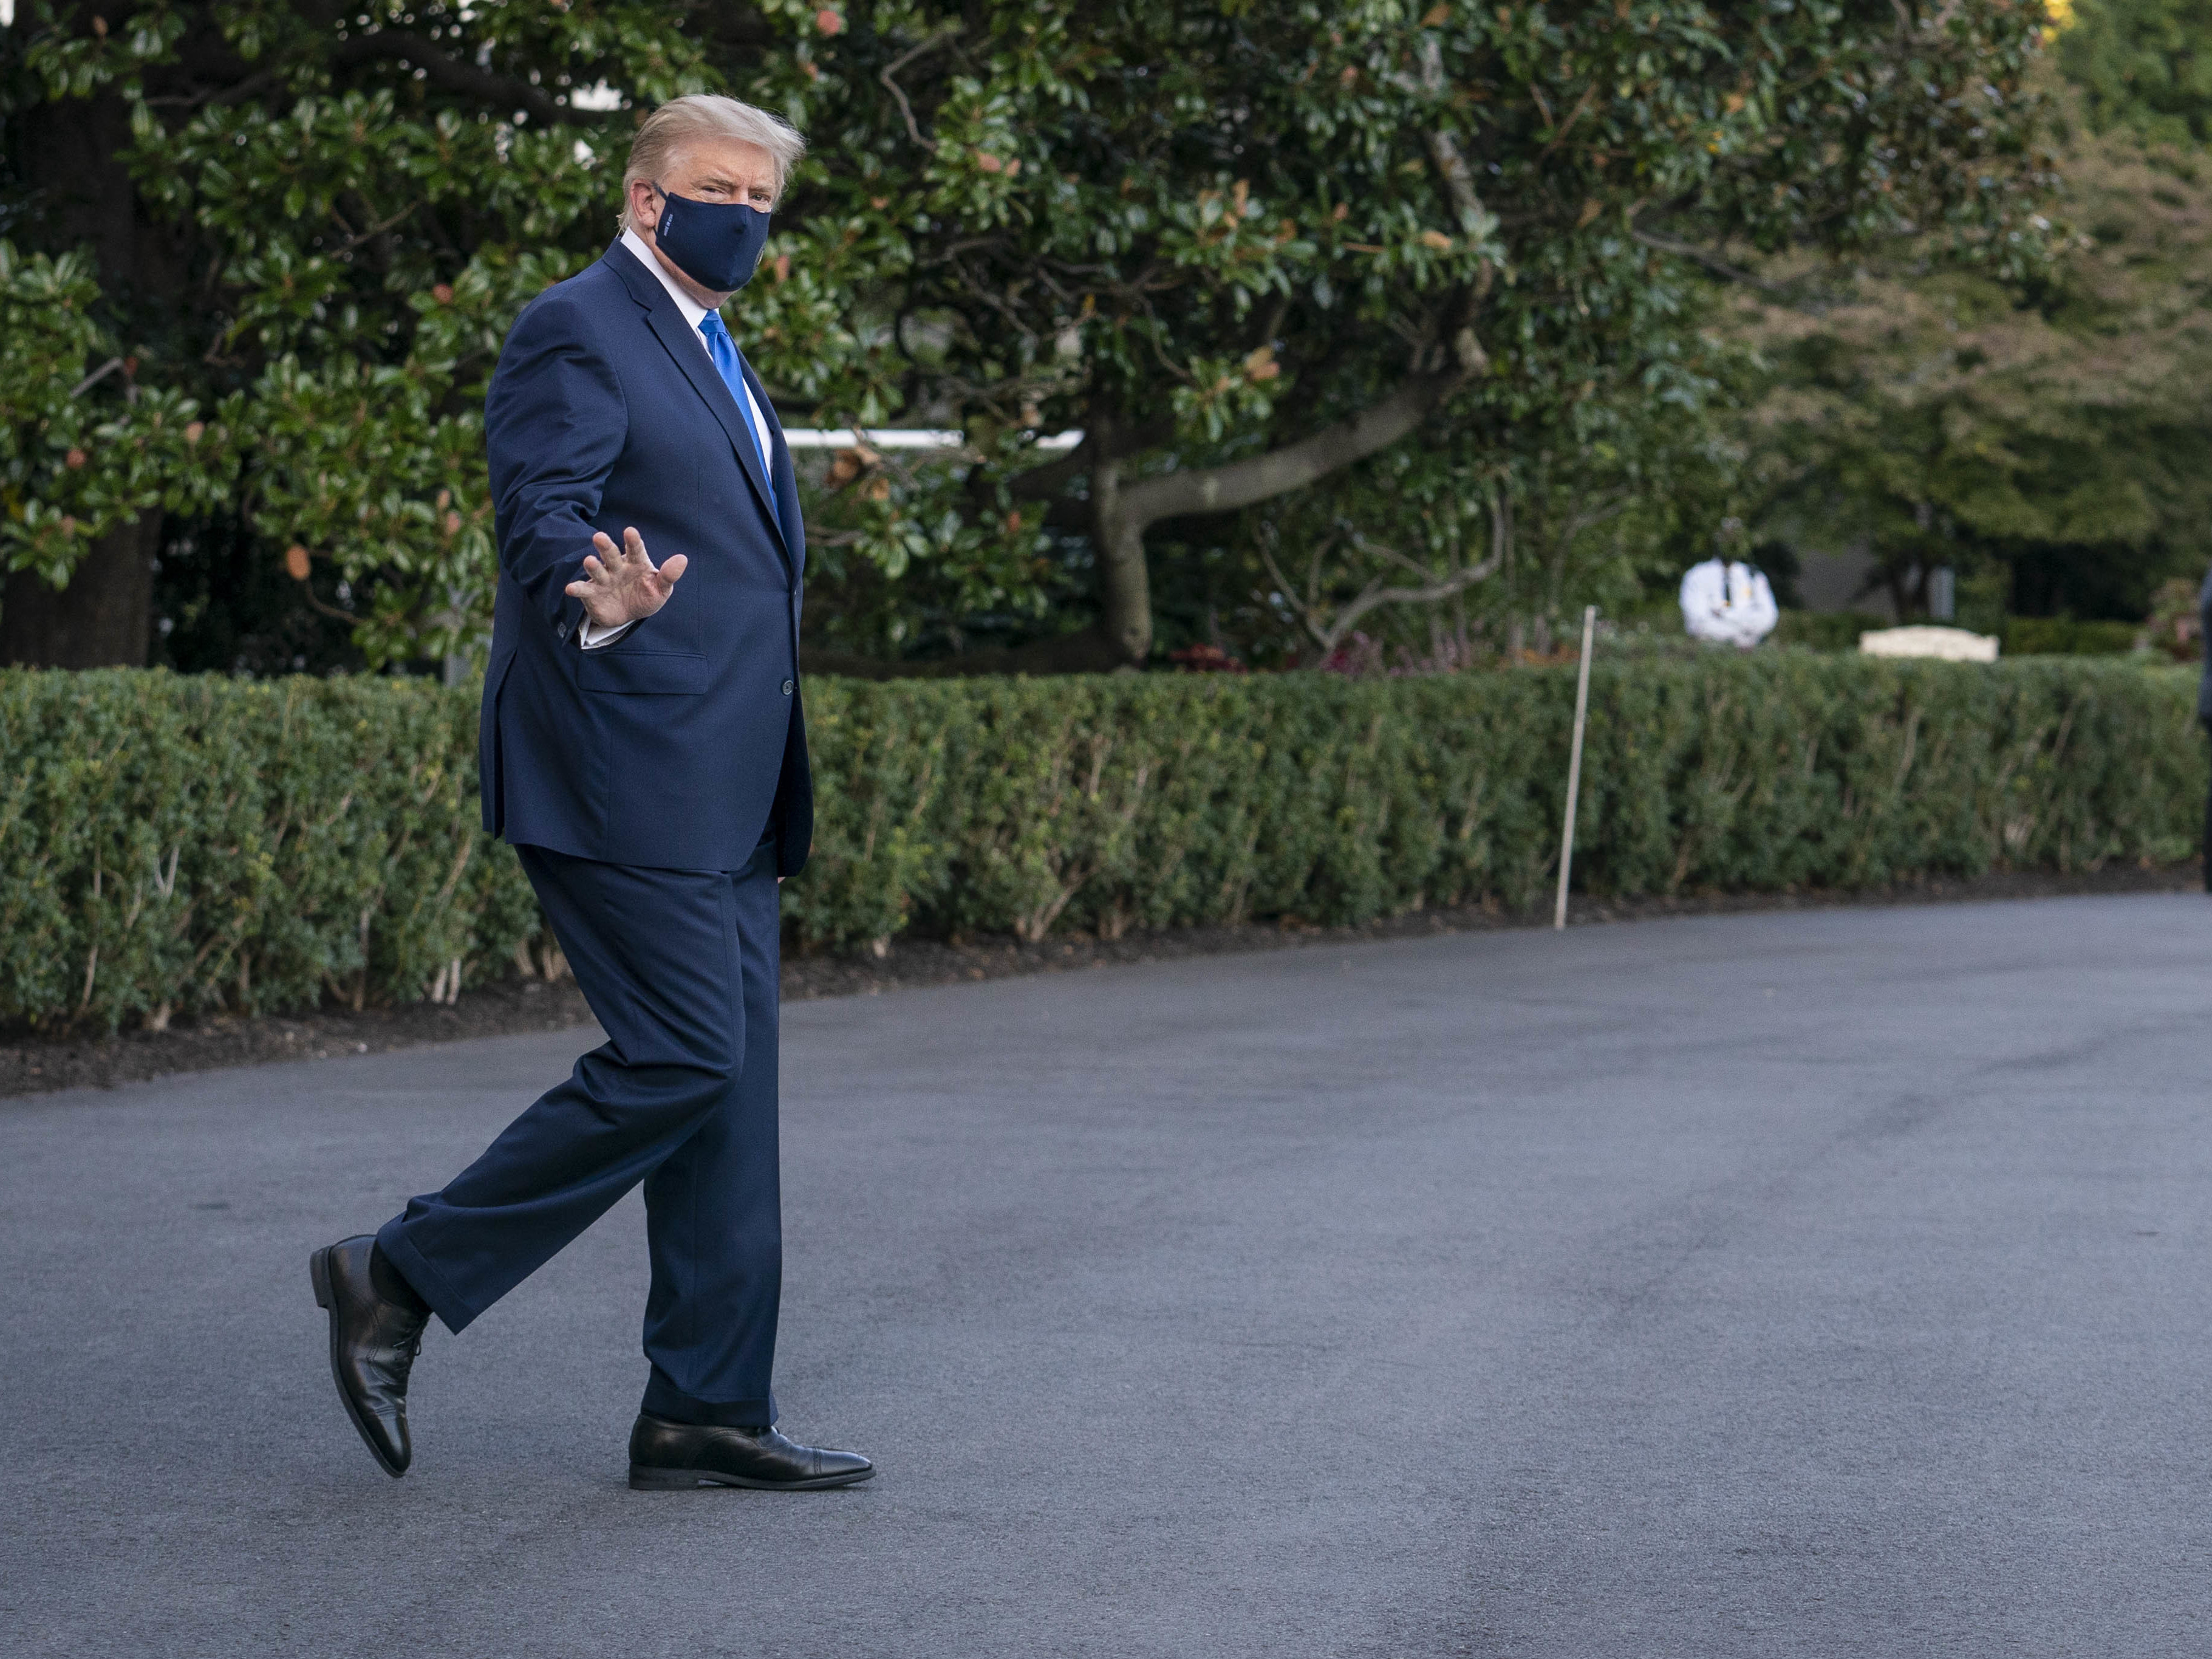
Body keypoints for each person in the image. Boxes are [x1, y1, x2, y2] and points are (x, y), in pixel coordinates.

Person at [308, 95, 872, 1491]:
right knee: (687, 1057)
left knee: (727, 1103)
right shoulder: (578, 325)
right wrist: (599, 600)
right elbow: (543, 511)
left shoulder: (713, 345)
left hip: (730, 780)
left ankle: (705, 1407)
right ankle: (394, 1272)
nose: (742, 215)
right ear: (645, 199)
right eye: (717, 189)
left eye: (763, 198)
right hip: (622, 764)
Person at [1679, 556, 1779, 648]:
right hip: (1711, 650)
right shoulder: (1697, 574)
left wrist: (1724, 615)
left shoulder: (1753, 574)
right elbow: (1699, 623)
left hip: (1752, 650)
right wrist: (1743, 633)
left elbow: (1768, 618)